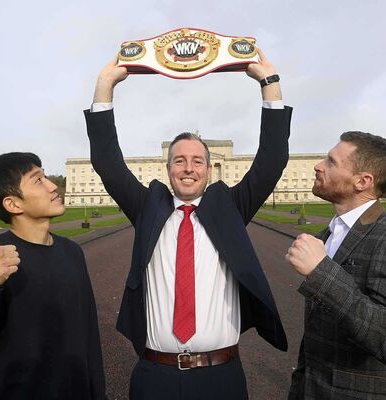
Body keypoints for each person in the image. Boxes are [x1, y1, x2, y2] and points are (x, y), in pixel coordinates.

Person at [85, 48, 292, 400]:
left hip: (221, 375)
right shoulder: (147, 208)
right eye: (179, 160)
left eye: (198, 161)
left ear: (209, 170)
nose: (188, 168)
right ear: (168, 170)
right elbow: (107, 162)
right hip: (155, 374)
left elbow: (271, 160)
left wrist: (269, 83)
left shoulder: (230, 208)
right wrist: (105, 86)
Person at [0, 152, 106, 400]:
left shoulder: (73, 252)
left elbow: (88, 334)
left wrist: (98, 392)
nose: (53, 186)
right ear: (13, 204)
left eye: (46, 176)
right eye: (38, 180)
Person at [286, 132, 386, 398]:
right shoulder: (327, 235)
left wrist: (321, 271)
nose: (318, 166)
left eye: (331, 162)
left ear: (363, 181)